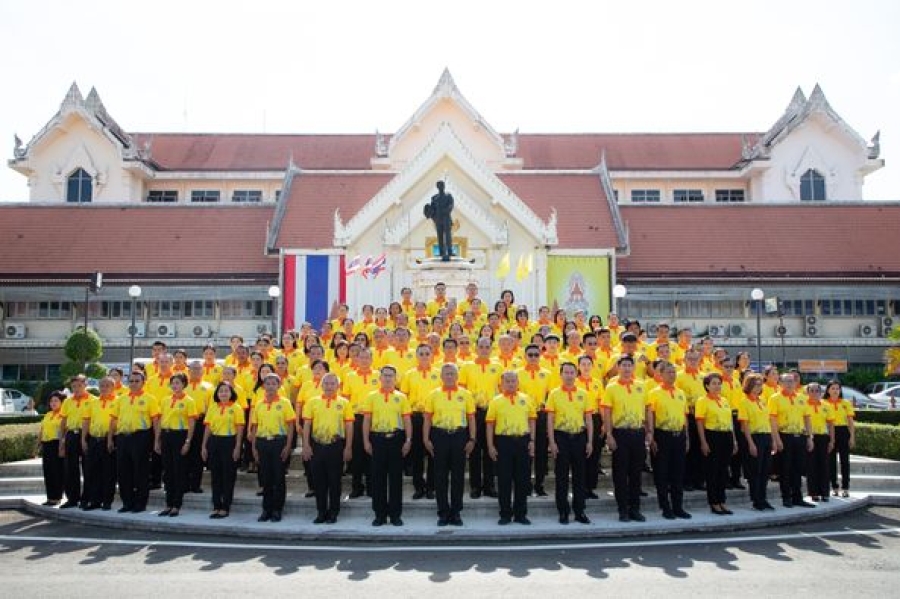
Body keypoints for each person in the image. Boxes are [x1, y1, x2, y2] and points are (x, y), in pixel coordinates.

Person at [423, 364, 477, 526]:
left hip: (459, 436)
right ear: (441, 376)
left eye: (452, 373)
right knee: (440, 476)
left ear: (457, 376)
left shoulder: (466, 394)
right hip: (439, 436)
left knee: (458, 476)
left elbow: (471, 419)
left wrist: (472, 439)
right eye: (446, 373)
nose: (449, 376)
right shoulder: (433, 395)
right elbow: (427, 419)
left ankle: (456, 512)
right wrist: (426, 439)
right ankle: (443, 512)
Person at [602, 355, 651, 522]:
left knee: (636, 474)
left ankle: (635, 508)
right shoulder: (611, 387)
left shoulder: (641, 386)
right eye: (624, 365)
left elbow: (647, 409)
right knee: (620, 474)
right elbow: (607, 412)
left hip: (637, 433)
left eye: (630, 365)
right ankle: (622, 509)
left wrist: (649, 431)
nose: (627, 368)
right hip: (620, 433)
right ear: (618, 366)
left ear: (634, 367)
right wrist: (609, 434)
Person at [361, 366, 413, 527]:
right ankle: (380, 515)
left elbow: (406, 421)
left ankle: (395, 515)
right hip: (377, 440)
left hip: (396, 440)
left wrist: (408, 440)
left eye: (391, 376)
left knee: (396, 479)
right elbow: (367, 421)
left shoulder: (402, 397)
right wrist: (366, 441)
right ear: (380, 378)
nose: (388, 378)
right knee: (378, 479)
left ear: (395, 378)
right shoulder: (371, 397)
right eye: (385, 375)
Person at [302, 373, 354, 524]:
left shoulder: (344, 403)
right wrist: (305, 445)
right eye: (326, 383)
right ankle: (321, 512)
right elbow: (307, 425)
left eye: (333, 383)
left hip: (336, 446)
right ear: (321, 385)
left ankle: (334, 512)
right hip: (317, 445)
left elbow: (349, 426)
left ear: (338, 386)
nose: (329, 386)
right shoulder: (312, 402)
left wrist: (348, 447)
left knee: (334, 481)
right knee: (319, 482)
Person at [546, 362, 594, 524]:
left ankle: (580, 511)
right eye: (565, 372)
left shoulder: (584, 393)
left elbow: (588, 419)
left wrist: (589, 441)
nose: (569, 375)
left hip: (579, 437)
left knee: (580, 477)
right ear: (561, 375)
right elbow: (550, 420)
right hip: (561, 438)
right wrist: (552, 442)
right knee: (562, 477)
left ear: (576, 374)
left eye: (572, 372)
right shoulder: (554, 394)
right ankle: (563, 511)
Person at [487, 371, 537, 525]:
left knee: (522, 480)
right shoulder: (496, 401)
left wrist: (532, 441)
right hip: (503, 442)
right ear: (501, 384)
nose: (510, 383)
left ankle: (520, 514)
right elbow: (490, 424)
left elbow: (532, 421)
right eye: (507, 381)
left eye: (513, 381)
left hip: (522, 441)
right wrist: (490, 445)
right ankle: (505, 514)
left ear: (518, 382)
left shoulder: (526, 399)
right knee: (504, 480)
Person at [108, 371, 161, 514]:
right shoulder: (121, 399)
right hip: (123, 438)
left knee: (141, 471)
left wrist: (157, 440)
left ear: (143, 382)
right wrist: (110, 439)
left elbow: (156, 421)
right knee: (124, 472)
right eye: (131, 381)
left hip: (141, 437)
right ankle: (127, 503)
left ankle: (140, 503)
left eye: (137, 381)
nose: (133, 383)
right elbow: (113, 420)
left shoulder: (150, 399)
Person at [459, 337, 502, 498]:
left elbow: (501, 390)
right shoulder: (466, 366)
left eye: (487, 347)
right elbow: (462, 391)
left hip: (491, 412)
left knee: (490, 449)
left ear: (491, 349)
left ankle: (489, 485)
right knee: (475, 449)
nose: (484, 349)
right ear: (476, 348)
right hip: (473, 413)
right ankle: (475, 486)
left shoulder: (497, 367)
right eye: (481, 346)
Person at [647, 361, 692, 519]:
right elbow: (650, 415)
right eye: (668, 372)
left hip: (678, 435)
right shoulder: (654, 393)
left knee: (678, 473)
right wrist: (651, 436)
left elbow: (684, 416)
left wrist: (686, 437)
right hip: (662, 435)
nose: (672, 375)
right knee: (662, 473)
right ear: (660, 374)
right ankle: (665, 507)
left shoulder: (680, 393)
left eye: (674, 372)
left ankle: (678, 506)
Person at [249, 373, 296, 523]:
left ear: (279, 385)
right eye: (267, 383)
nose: (270, 386)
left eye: (273, 383)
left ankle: (277, 509)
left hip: (278, 442)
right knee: (265, 478)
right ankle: (266, 509)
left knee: (278, 477)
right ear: (263, 386)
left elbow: (290, 425)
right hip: (263, 443)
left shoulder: (285, 403)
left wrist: (288, 445)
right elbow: (255, 427)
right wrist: (254, 447)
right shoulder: (259, 404)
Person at [400, 344, 440, 499]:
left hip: (434, 418)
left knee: (432, 452)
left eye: (427, 353)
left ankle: (431, 487)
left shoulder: (438, 374)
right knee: (416, 454)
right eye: (421, 353)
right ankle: (419, 487)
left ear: (432, 355)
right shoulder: (409, 374)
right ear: (416, 356)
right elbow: (403, 398)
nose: (424, 356)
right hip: (415, 417)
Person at [155, 373, 199, 517]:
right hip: (166, 435)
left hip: (180, 436)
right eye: (173, 383)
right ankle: (168, 503)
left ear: (184, 384)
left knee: (179, 470)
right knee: (168, 471)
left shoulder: (189, 401)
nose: (175, 385)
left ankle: (176, 504)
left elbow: (192, 423)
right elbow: (160, 420)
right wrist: (158, 439)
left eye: (178, 383)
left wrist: (188, 441)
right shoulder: (165, 400)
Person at [770, 373, 815, 508]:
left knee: (798, 468)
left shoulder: (802, 398)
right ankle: (786, 497)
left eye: (792, 381)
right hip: (784, 436)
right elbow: (772, 420)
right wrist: (777, 439)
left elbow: (807, 418)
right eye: (787, 381)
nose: (790, 383)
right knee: (785, 468)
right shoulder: (775, 398)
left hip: (800, 436)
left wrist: (809, 437)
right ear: (781, 383)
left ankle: (798, 497)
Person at [695, 373, 738, 515]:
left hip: (726, 436)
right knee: (712, 471)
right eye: (713, 383)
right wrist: (703, 442)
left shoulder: (724, 400)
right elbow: (700, 422)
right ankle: (714, 502)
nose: (717, 386)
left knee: (723, 471)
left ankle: (722, 500)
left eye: (719, 383)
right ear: (707, 386)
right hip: (712, 435)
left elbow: (730, 422)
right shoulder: (702, 401)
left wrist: (734, 440)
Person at [201, 381, 245, 519]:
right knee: (216, 476)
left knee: (228, 476)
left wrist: (238, 447)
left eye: (226, 391)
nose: (223, 393)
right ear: (217, 394)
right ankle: (216, 505)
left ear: (231, 393)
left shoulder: (236, 408)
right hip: (214, 442)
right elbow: (208, 427)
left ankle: (225, 506)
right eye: (221, 391)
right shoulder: (213, 407)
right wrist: (204, 445)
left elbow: (240, 429)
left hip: (229, 442)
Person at [738, 374, 777, 511]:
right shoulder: (744, 402)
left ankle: (763, 498)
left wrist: (772, 439)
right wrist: (751, 443)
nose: (758, 387)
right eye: (755, 384)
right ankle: (756, 499)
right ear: (749, 385)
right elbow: (745, 425)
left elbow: (768, 421)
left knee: (765, 470)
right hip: (754, 437)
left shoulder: (762, 401)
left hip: (766, 436)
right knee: (756, 470)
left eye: (760, 385)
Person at [81, 377, 118, 511]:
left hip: (110, 440)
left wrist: (110, 439)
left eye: (107, 385)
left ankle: (107, 501)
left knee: (108, 472)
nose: (104, 388)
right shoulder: (93, 402)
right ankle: (94, 500)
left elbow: (114, 422)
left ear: (113, 387)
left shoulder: (118, 401)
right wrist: (83, 439)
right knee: (93, 471)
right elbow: (86, 421)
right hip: (93, 440)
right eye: (102, 385)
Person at [59, 374, 94, 509]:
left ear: (85, 385)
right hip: (71, 436)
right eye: (74, 386)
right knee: (70, 468)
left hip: (87, 436)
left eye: (79, 385)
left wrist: (84, 438)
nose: (77, 388)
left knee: (88, 468)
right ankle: (72, 498)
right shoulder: (68, 401)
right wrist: (62, 439)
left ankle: (87, 498)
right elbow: (63, 421)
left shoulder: (93, 400)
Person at [805, 382, 835, 502]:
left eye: (817, 391)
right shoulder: (804, 405)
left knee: (824, 465)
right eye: (811, 391)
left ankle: (825, 492)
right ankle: (814, 493)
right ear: (807, 392)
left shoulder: (826, 405)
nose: (814, 393)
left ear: (821, 392)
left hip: (823, 437)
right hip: (810, 437)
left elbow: (831, 424)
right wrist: (808, 437)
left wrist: (832, 441)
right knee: (811, 466)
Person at [825, 380, 855, 498]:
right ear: (828, 390)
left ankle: (845, 487)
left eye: (837, 388)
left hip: (843, 431)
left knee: (844, 461)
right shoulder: (823, 403)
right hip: (829, 432)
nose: (835, 391)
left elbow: (850, 422)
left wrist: (852, 436)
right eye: (833, 388)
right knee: (831, 461)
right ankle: (834, 486)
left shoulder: (846, 403)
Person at [37, 391, 66, 506]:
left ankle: (57, 497)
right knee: (47, 471)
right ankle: (50, 497)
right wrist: (38, 444)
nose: (53, 403)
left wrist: (62, 445)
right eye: (51, 401)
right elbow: (42, 430)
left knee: (57, 471)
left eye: (56, 401)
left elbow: (63, 432)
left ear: (62, 402)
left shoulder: (63, 415)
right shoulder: (48, 414)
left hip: (57, 444)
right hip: (46, 444)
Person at [426, 181, 454, 261]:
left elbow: (451, 206)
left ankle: (450, 251)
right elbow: (432, 209)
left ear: (444, 186)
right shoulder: (434, 198)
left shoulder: (448, 196)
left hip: (446, 218)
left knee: (448, 236)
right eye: (439, 185)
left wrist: (444, 211)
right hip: (438, 220)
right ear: (437, 187)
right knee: (440, 236)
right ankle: (441, 252)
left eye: (442, 185)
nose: (441, 187)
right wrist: (428, 211)